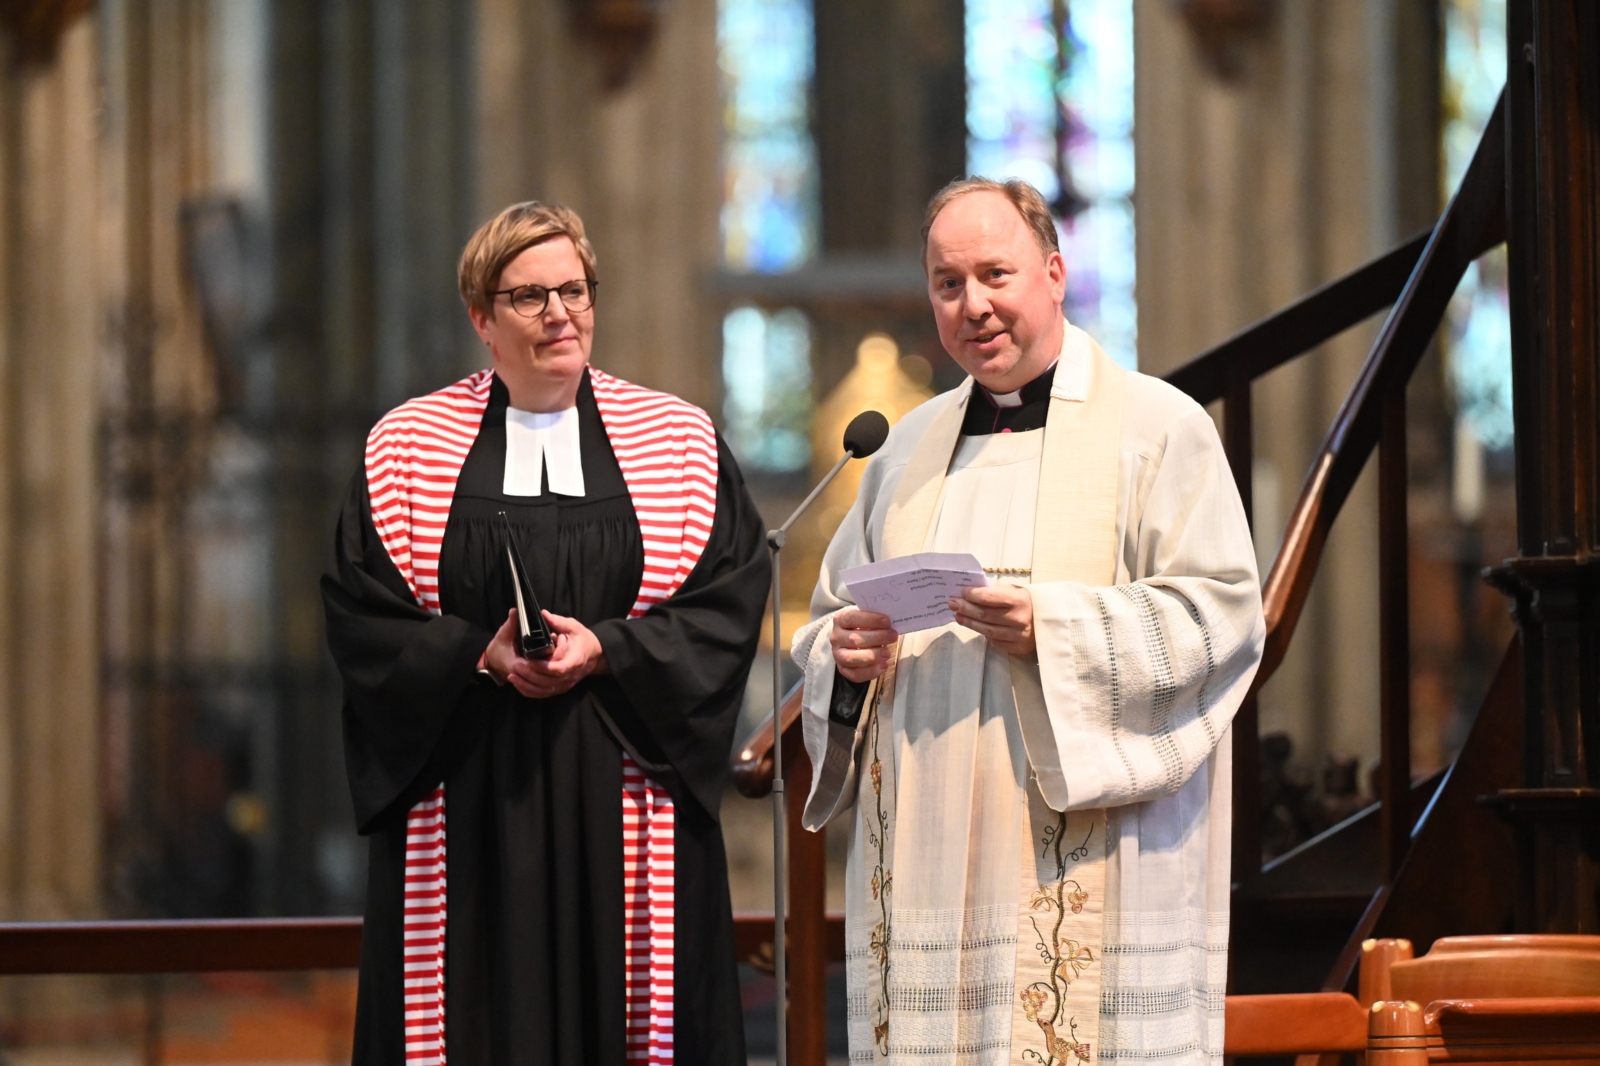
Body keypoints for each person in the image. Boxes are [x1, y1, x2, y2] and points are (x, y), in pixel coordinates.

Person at [792, 178, 1264, 1066]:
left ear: (1053, 273)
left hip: (1083, 861)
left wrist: (1055, 626)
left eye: (995, 274)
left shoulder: (1157, 429)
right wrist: (841, 656)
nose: (974, 305)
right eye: (947, 283)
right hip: (930, 859)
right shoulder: (902, 450)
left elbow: (1223, 614)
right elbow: (827, 619)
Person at [322, 201, 768, 1065]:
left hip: (632, 787)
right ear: (482, 318)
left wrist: (608, 648)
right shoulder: (407, 449)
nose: (561, 313)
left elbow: (727, 604)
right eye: (530, 297)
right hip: (468, 799)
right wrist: (473, 654)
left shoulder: (678, 443)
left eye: (575, 289)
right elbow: (361, 617)